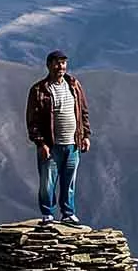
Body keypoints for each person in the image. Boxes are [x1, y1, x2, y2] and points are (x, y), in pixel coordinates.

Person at [25, 50, 91, 223]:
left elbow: (83, 112)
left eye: (63, 63)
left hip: (73, 143)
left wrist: (85, 135)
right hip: (51, 145)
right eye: (56, 63)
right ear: (48, 65)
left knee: (69, 181)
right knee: (47, 182)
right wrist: (41, 143)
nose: (60, 66)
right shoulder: (39, 90)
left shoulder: (74, 85)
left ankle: (68, 213)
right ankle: (48, 214)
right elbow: (33, 120)